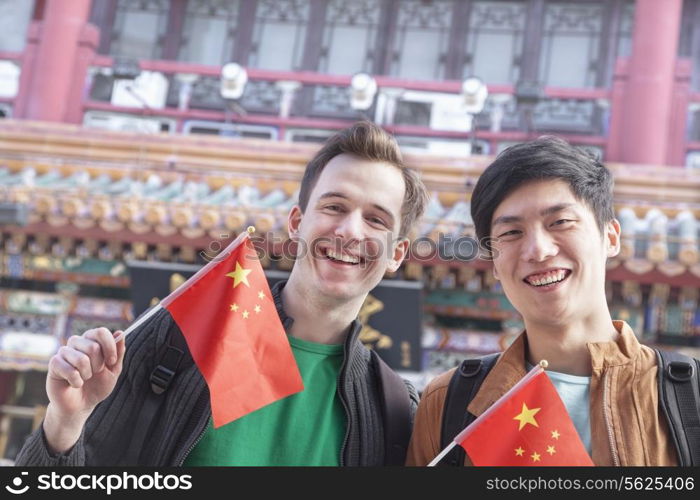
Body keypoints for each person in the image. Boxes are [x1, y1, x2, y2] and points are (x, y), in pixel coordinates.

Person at [16, 121, 429, 466]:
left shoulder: (392, 409)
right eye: (335, 207)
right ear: (296, 222)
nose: (350, 231)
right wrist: (66, 422)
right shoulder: (178, 340)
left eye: (375, 219)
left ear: (396, 254)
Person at [406, 136, 679, 466]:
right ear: (493, 262)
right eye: (511, 233)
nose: (538, 250)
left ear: (610, 237)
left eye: (560, 222)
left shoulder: (683, 399)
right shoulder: (448, 403)